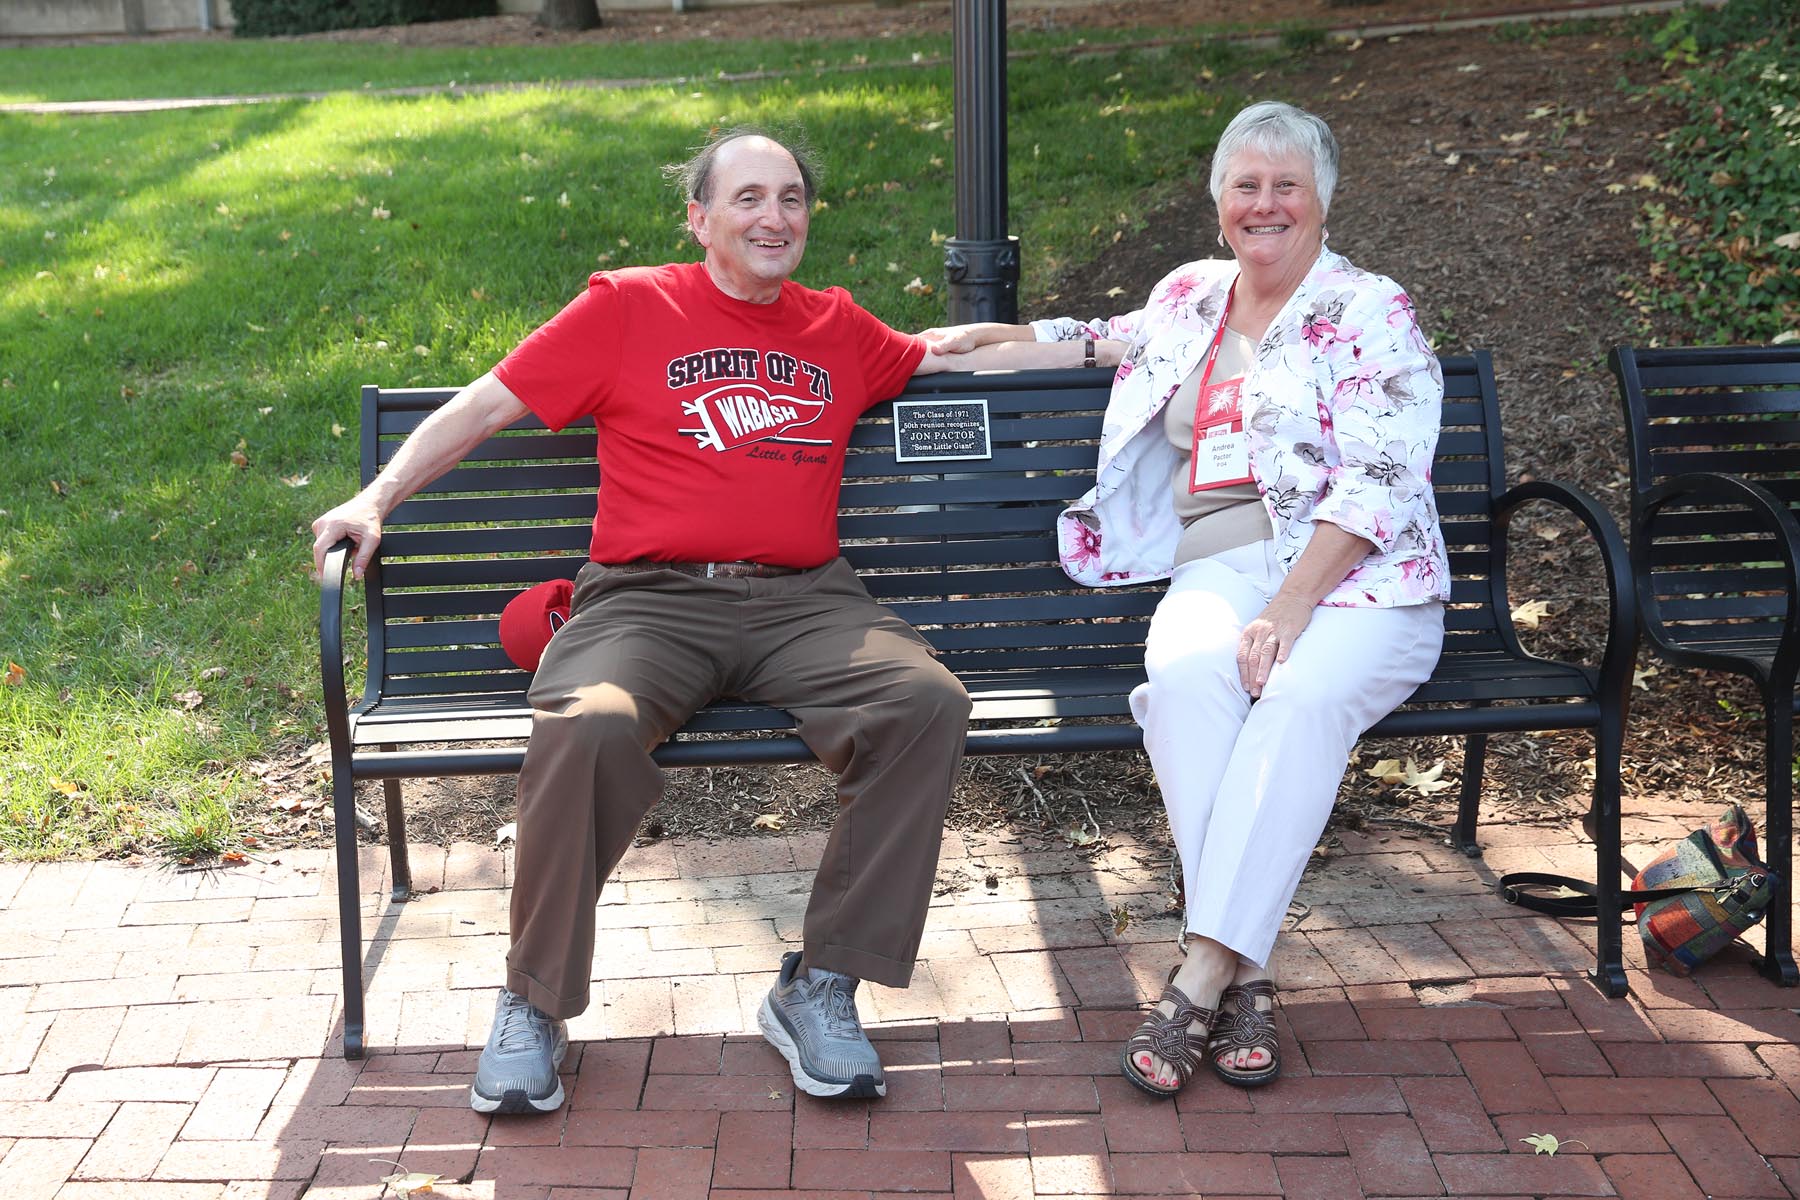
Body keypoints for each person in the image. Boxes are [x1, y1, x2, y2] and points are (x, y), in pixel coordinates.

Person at [310, 127, 1011, 1114]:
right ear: (701, 218)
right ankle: (533, 1000)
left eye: (793, 200)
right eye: (750, 199)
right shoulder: (631, 307)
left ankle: (822, 986)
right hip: (648, 602)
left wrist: (1114, 339)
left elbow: (937, 350)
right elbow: (484, 406)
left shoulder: (837, 326)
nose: (775, 218)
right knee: (589, 720)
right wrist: (375, 497)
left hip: (805, 603)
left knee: (925, 702)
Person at [920, 101, 1448, 1094]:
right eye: (1245, 186)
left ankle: (1201, 976)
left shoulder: (1373, 313)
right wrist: (987, 339)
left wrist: (1290, 608)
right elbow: (1103, 339)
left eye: (1285, 184)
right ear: (1219, 207)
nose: (1265, 203)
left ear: (1323, 201)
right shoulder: (1194, 297)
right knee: (1186, 675)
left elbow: (1381, 480)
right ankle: (1251, 973)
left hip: (1364, 583)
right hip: (1225, 561)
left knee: (1294, 701)